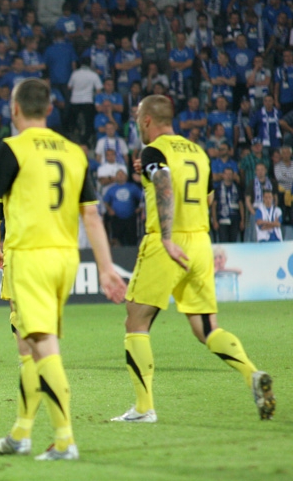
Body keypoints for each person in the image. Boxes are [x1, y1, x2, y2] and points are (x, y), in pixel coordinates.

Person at [0, 79, 126, 460]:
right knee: (28, 346)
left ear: (15, 110)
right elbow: (90, 213)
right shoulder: (74, 151)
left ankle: (65, 440)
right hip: (65, 258)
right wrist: (105, 267)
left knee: (42, 346)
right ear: (50, 108)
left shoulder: (14, 148)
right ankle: (21, 433)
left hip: (30, 257)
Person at [114, 95, 274, 424]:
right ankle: (252, 374)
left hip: (166, 242)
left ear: (147, 121)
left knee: (136, 322)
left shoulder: (153, 151)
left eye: (137, 120)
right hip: (201, 243)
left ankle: (144, 408)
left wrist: (170, 237)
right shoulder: (199, 153)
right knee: (206, 328)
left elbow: (163, 182)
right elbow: (209, 197)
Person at [0, 201, 43, 456]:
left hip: (18, 254)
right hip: (48, 255)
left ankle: (29, 364)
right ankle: (65, 437)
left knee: (17, 313)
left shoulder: (6, 185)